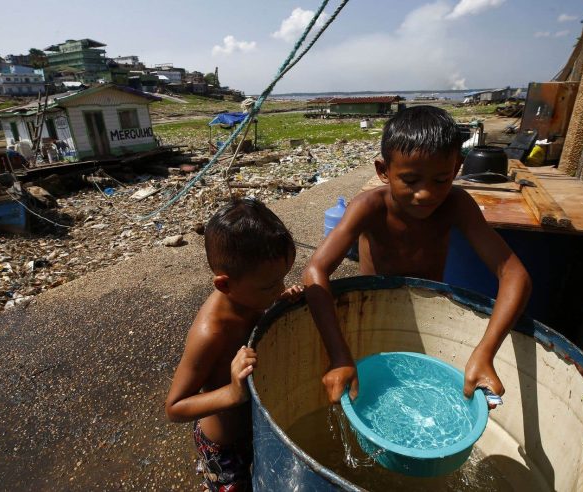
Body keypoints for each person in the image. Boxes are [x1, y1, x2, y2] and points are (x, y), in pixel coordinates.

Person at [303, 105, 532, 407]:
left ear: (457, 168)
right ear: (383, 171)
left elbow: (514, 274)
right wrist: (339, 355)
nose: (425, 194)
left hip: (429, 313)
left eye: (440, 180)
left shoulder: (457, 205)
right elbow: (315, 270)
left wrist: (484, 352)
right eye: (410, 181)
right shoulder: (369, 207)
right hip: (374, 311)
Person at [165, 198, 302, 492]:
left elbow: (264, 295)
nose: (279, 288)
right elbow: (174, 407)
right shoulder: (211, 333)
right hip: (223, 446)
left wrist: (279, 296)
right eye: (269, 286)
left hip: (254, 427)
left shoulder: (248, 296)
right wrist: (232, 392)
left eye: (282, 279)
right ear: (224, 285)